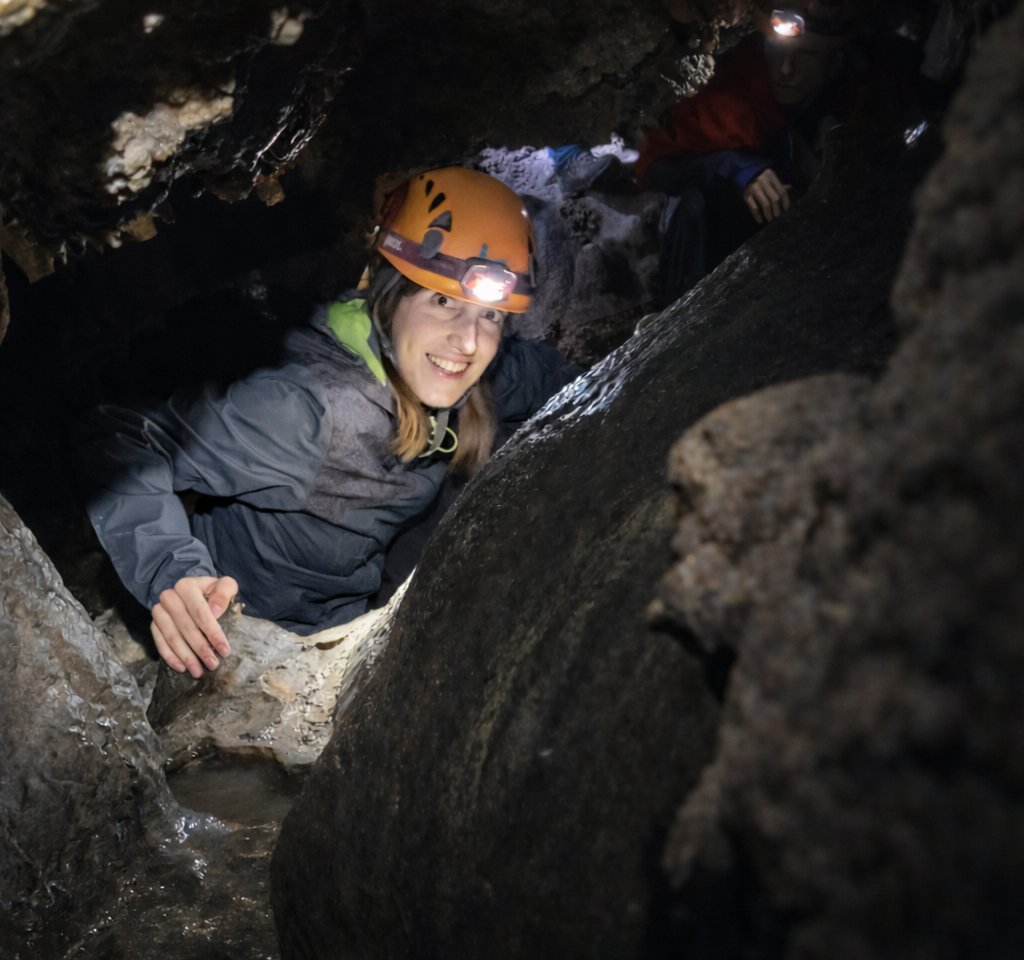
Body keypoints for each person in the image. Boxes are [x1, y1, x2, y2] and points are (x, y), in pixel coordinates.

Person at [78, 168, 579, 678]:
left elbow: (551, 378)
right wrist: (173, 572)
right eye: (443, 301)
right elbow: (121, 434)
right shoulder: (308, 410)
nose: (468, 342)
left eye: (490, 316)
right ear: (391, 294)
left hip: (363, 605)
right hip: (259, 643)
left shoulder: (474, 377)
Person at [637, 2, 885, 303]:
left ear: (837, 59)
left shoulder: (863, 94)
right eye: (776, 47)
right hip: (726, 235)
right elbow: (652, 168)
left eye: (808, 54)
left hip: (808, 248)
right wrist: (733, 166)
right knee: (695, 203)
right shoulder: (732, 90)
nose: (786, 69)